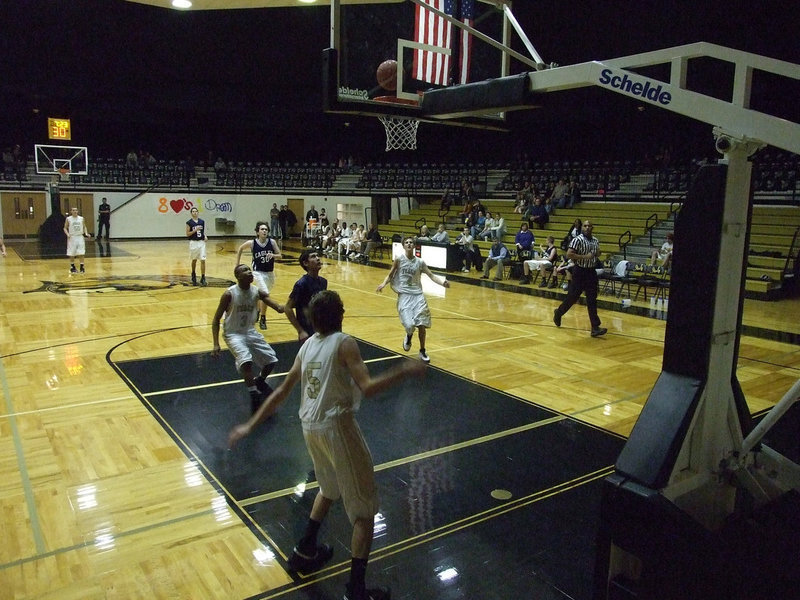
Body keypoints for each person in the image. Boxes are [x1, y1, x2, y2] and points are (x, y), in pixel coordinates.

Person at [228, 290, 426, 600]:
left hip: (310, 427)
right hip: (337, 427)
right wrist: (403, 370)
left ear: (312, 319)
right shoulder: (344, 343)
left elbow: (279, 393)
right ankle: (355, 591)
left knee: (328, 488)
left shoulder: (308, 346)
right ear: (341, 314)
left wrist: (249, 426)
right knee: (364, 511)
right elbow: (369, 388)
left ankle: (305, 550)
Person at [211, 264, 285, 413]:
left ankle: (260, 380)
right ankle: (253, 392)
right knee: (246, 361)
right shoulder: (229, 294)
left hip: (249, 331)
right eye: (244, 270)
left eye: (249, 269)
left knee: (271, 361)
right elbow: (216, 319)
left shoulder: (256, 291)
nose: (249, 272)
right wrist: (215, 344)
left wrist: (282, 307)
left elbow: (274, 304)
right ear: (237, 277)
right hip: (233, 333)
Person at [376, 235, 450, 363]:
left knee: (421, 324)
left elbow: (431, 275)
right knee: (410, 326)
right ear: (403, 246)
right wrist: (383, 283)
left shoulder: (420, 262)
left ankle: (422, 350)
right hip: (404, 296)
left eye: (411, 242)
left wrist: (443, 283)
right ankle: (409, 335)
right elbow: (391, 274)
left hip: (418, 295)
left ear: (414, 246)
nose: (409, 244)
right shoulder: (399, 259)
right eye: (407, 242)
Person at [552, 220, 607, 337]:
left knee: (592, 299)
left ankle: (595, 327)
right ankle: (559, 312)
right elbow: (569, 254)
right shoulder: (577, 239)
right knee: (572, 297)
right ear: (582, 228)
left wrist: (598, 253)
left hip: (591, 272)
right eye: (585, 226)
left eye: (589, 226)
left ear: (593, 228)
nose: (587, 228)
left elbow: (597, 253)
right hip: (580, 271)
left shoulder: (595, 240)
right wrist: (585, 257)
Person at [235, 221, 282, 330]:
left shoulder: (272, 242)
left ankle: (257, 309)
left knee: (261, 296)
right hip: (257, 272)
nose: (264, 231)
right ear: (257, 232)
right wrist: (237, 264)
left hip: (270, 273)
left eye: (266, 229)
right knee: (265, 294)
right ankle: (263, 319)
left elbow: (280, 255)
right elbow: (240, 248)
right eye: (262, 229)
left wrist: (273, 255)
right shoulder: (252, 243)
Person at [285, 249, 328, 343]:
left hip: (321, 328)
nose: (317, 259)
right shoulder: (301, 284)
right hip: (308, 331)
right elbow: (287, 307)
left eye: (317, 256)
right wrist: (300, 331)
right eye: (313, 256)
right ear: (305, 263)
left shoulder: (323, 282)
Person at [63, 206, 91, 273]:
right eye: (73, 210)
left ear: (77, 211)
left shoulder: (81, 218)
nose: (75, 211)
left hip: (80, 237)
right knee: (72, 252)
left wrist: (86, 233)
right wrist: (67, 234)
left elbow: (84, 227)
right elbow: (64, 228)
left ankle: (82, 267)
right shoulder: (68, 219)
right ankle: (72, 266)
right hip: (72, 237)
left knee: (81, 252)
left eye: (76, 210)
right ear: (71, 211)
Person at [186, 207, 207, 286]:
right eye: (193, 211)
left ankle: (203, 277)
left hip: (201, 242)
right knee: (194, 260)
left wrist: (205, 236)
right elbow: (187, 234)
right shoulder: (189, 222)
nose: (195, 213)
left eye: (196, 211)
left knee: (203, 259)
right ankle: (193, 274)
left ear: (198, 212)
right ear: (191, 213)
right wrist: (195, 230)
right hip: (193, 242)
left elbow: (202, 232)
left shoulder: (202, 221)